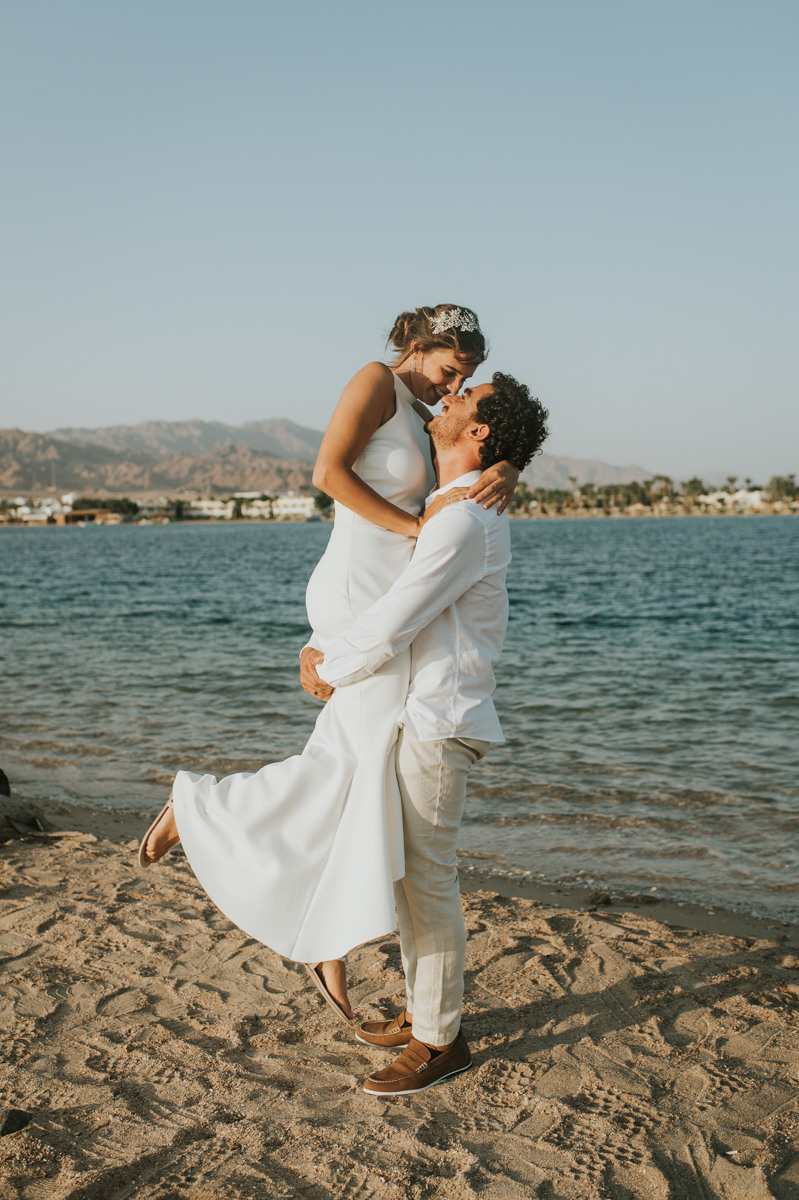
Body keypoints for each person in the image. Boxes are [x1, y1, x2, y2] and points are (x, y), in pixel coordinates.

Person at [138, 304, 519, 1020]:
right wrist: (420, 529)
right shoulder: (376, 380)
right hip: (360, 588)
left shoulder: (428, 416)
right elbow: (328, 474)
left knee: (359, 767)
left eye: (464, 379)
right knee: (348, 763)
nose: (452, 387)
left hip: (392, 591)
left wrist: (505, 466)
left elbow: (469, 455)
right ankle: (200, 807)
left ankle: (324, 938)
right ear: (417, 346)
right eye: (449, 370)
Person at [302, 373, 550, 1095]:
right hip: (420, 715)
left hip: (439, 721)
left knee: (427, 881)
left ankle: (441, 1041)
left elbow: (397, 618)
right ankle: (425, 1014)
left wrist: (329, 669)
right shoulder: (449, 506)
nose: (449, 396)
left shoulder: (463, 519)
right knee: (413, 880)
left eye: (465, 398)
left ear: (478, 432)